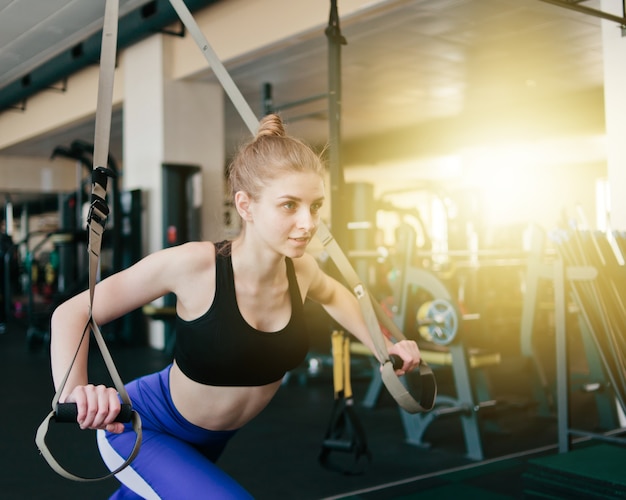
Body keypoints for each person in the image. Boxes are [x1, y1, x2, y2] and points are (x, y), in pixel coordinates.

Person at [50, 113, 422, 499]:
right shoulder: (194, 266)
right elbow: (71, 313)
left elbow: (336, 296)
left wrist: (385, 348)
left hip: (209, 443)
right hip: (140, 427)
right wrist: (76, 394)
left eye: (315, 206)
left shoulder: (302, 270)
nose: (308, 223)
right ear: (245, 205)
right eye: (289, 205)